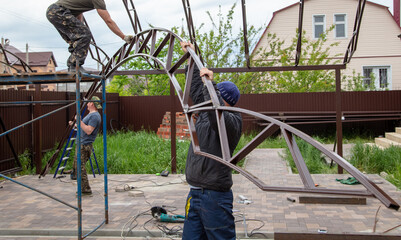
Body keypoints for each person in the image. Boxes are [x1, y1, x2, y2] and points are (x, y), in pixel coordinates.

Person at [180, 42, 243, 240]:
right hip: (195, 192)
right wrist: (192, 57)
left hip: (215, 197)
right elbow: (198, 86)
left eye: (214, 93)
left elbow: (214, 109)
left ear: (220, 97)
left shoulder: (231, 120)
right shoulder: (207, 112)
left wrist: (211, 85)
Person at [46, 0, 133, 72]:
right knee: (85, 35)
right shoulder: (99, 1)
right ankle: (74, 65)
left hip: (53, 11)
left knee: (76, 38)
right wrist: (123, 37)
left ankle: (73, 65)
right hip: (58, 11)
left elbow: (77, 13)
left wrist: (81, 30)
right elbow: (108, 20)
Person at [69, 96, 102, 195]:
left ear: (92, 103)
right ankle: (77, 179)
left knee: (80, 167)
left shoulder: (95, 116)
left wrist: (79, 121)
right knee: (77, 166)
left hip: (84, 145)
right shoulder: (91, 115)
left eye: (88, 102)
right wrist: (75, 124)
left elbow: (88, 130)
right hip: (81, 144)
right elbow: (83, 127)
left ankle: (85, 189)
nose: (87, 104)